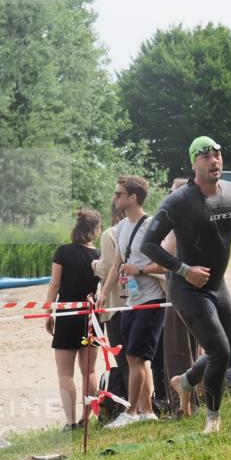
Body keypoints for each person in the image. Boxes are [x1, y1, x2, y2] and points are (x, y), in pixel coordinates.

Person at [140, 137, 231, 435]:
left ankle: (185, 381)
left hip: (217, 285)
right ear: (194, 162)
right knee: (219, 351)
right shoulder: (179, 201)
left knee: (230, 355)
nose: (214, 160)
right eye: (205, 156)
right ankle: (213, 419)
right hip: (187, 287)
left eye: (217, 154)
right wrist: (184, 270)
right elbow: (149, 245)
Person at [97, 176, 165, 428]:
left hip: (151, 299)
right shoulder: (122, 227)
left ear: (133, 197)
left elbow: (167, 264)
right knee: (136, 360)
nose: (115, 198)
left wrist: (141, 270)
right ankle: (147, 411)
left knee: (135, 357)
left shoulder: (152, 226)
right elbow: (115, 264)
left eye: (119, 194)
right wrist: (104, 292)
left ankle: (132, 412)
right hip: (129, 300)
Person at [44, 210, 101, 431]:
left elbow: (54, 285)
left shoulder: (63, 252)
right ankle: (87, 419)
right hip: (91, 314)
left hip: (67, 314)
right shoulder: (98, 255)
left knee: (65, 373)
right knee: (90, 371)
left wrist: (48, 312)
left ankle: (70, 422)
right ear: (95, 230)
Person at [160, 178, 199, 418]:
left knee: (177, 350)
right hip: (192, 289)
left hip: (180, 288)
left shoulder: (181, 221)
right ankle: (191, 403)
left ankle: (182, 407)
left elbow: (165, 252)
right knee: (193, 350)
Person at [93, 198, 129, 413]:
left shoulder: (111, 234)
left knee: (125, 361)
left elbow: (108, 269)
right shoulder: (145, 229)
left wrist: (95, 265)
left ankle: (130, 407)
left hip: (116, 305)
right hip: (143, 302)